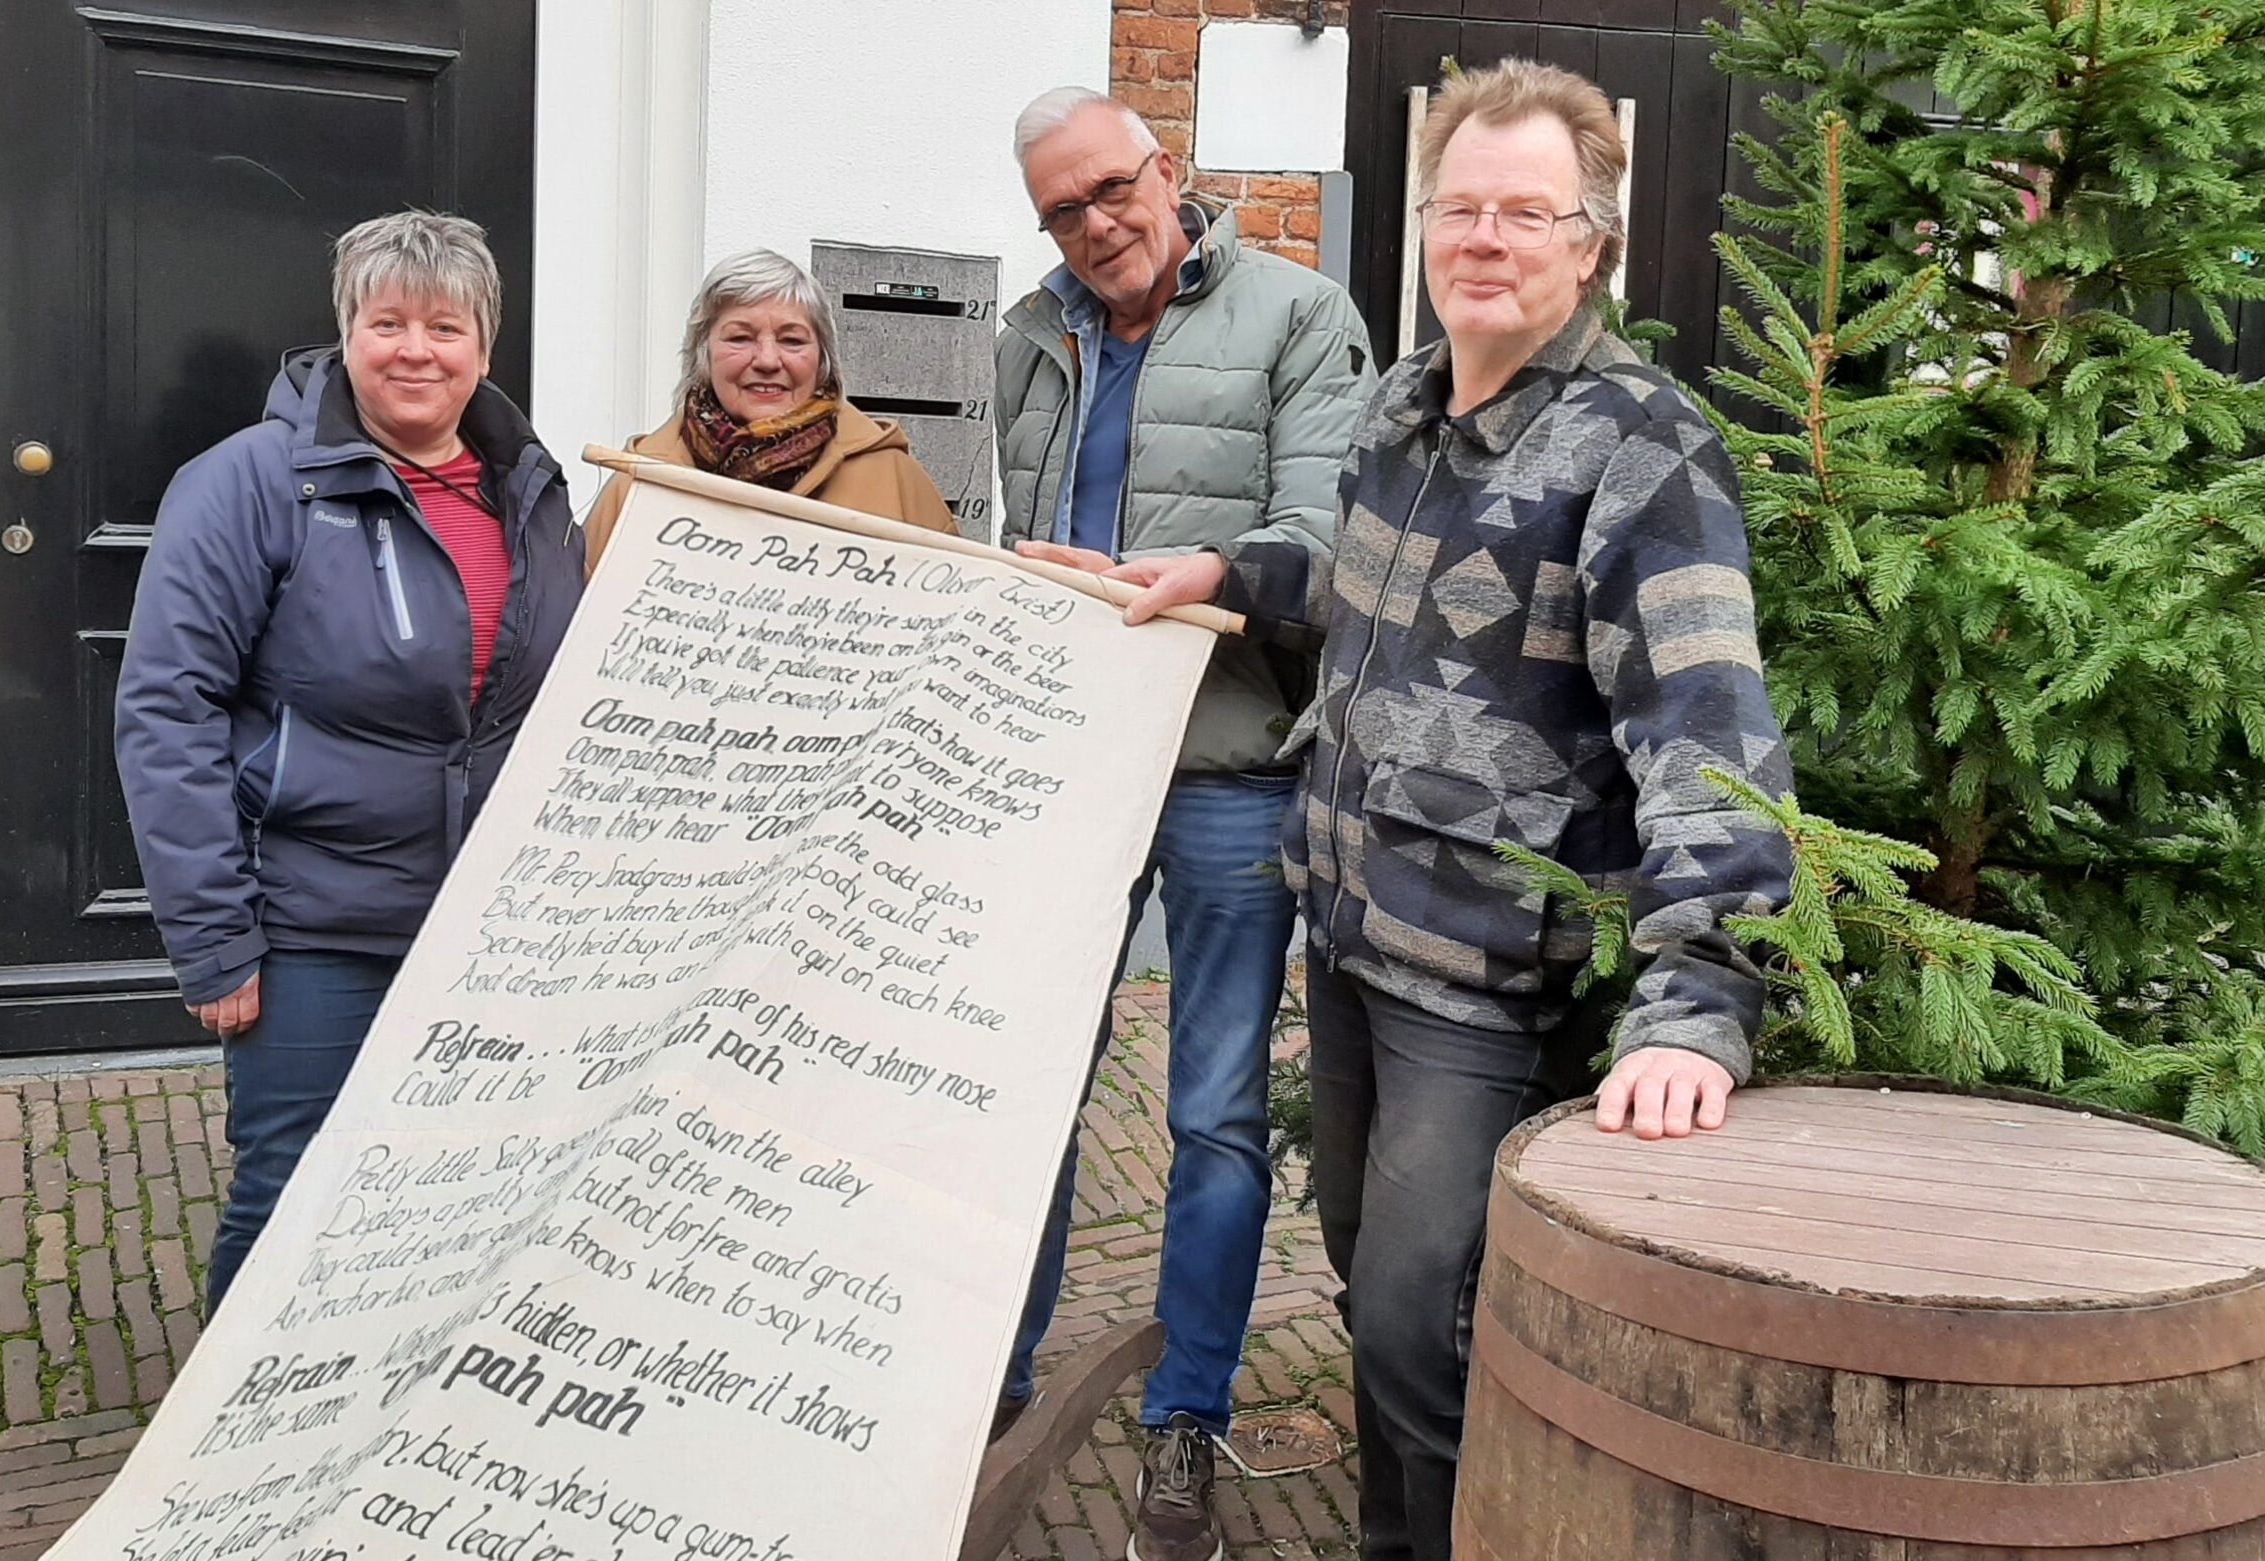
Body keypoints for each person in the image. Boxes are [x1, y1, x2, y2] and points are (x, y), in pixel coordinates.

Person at [1094, 61, 1799, 1561]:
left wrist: (1698, 1002)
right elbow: (1365, 602)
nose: (1482, 237)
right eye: (1458, 207)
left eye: (1524, 213)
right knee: (1375, 1298)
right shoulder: (1399, 411)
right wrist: (1225, 573)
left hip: (1487, 985)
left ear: (1590, 245)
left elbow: (1711, 737)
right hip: (1352, 942)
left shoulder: (1641, 447)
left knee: (1430, 1325)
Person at [995, 86, 1373, 1561]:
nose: (1096, 226)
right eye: (1062, 211)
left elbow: (1338, 546)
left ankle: (1185, 1421)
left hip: (1230, 766)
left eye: (1111, 189)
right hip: (1075, 769)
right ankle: (987, 1391)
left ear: (1166, 169)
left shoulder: (1301, 314)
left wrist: (1210, 569)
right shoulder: (1029, 335)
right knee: (1024, 1086)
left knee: (1213, 1112)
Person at [116, 210, 584, 1311]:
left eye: (445, 326)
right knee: (291, 1199)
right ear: (346, 331)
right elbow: (167, 708)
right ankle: (235, 1421)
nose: (416, 350)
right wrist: (213, 938)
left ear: (484, 345)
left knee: (446, 1200)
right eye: (388, 322)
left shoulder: (532, 491)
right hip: (315, 927)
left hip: (487, 936)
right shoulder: (250, 483)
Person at [583, 248, 957, 566]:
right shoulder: (640, 485)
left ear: (823, 360)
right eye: (740, 338)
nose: (766, 360)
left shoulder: (894, 478)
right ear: (703, 354)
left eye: (792, 341)